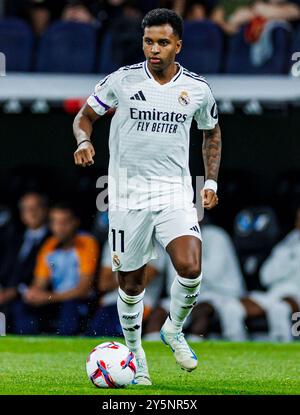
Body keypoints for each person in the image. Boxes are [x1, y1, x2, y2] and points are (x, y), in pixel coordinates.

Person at [73, 8, 221, 385]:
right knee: (131, 284)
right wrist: (84, 140)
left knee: (190, 267)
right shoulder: (121, 81)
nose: (154, 49)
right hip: (124, 196)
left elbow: (212, 133)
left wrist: (211, 184)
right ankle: (136, 355)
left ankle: (173, 330)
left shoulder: (197, 89)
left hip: (173, 192)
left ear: (178, 45)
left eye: (163, 42)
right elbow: (84, 117)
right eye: (149, 41)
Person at [21, 203, 99, 335]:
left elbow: (83, 289)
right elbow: (40, 282)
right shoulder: (49, 245)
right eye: (55, 222)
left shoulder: (86, 242)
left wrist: (48, 297)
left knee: (70, 309)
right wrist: (33, 294)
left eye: (64, 222)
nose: (59, 227)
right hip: (55, 300)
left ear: (75, 222)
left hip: (80, 301)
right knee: (22, 307)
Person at [228, 206, 300, 342]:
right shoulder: (289, 242)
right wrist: (289, 260)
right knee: (231, 307)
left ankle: (284, 354)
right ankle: (237, 350)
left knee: (279, 309)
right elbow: (266, 276)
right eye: (298, 219)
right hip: (275, 293)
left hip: (296, 295)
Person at [86, 239, 166, 337]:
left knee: (115, 335)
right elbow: (104, 284)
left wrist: (118, 274)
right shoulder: (115, 241)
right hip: (110, 302)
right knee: (94, 334)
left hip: (140, 303)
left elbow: (135, 284)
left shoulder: (156, 247)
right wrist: (131, 273)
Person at [0, 193, 49, 331]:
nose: (32, 213)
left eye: (36, 208)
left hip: (31, 296)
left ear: (45, 210)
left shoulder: (53, 239)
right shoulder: (13, 238)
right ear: (22, 214)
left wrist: (14, 291)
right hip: (5, 293)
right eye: (27, 209)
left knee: (20, 309)